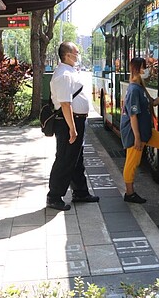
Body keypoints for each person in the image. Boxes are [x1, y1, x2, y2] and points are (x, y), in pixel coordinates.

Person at [46, 41, 99, 211]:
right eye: (76, 52)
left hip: (76, 120)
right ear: (67, 55)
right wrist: (72, 129)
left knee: (76, 158)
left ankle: (80, 192)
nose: (78, 55)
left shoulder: (69, 71)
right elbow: (65, 104)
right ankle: (54, 196)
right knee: (65, 159)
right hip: (69, 122)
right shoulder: (64, 75)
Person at [120, 57, 159, 204]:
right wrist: (137, 138)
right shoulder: (133, 89)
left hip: (146, 132)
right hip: (136, 133)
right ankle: (129, 193)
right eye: (145, 67)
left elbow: (154, 102)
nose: (147, 70)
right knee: (132, 163)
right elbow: (133, 115)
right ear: (137, 69)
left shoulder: (141, 87)